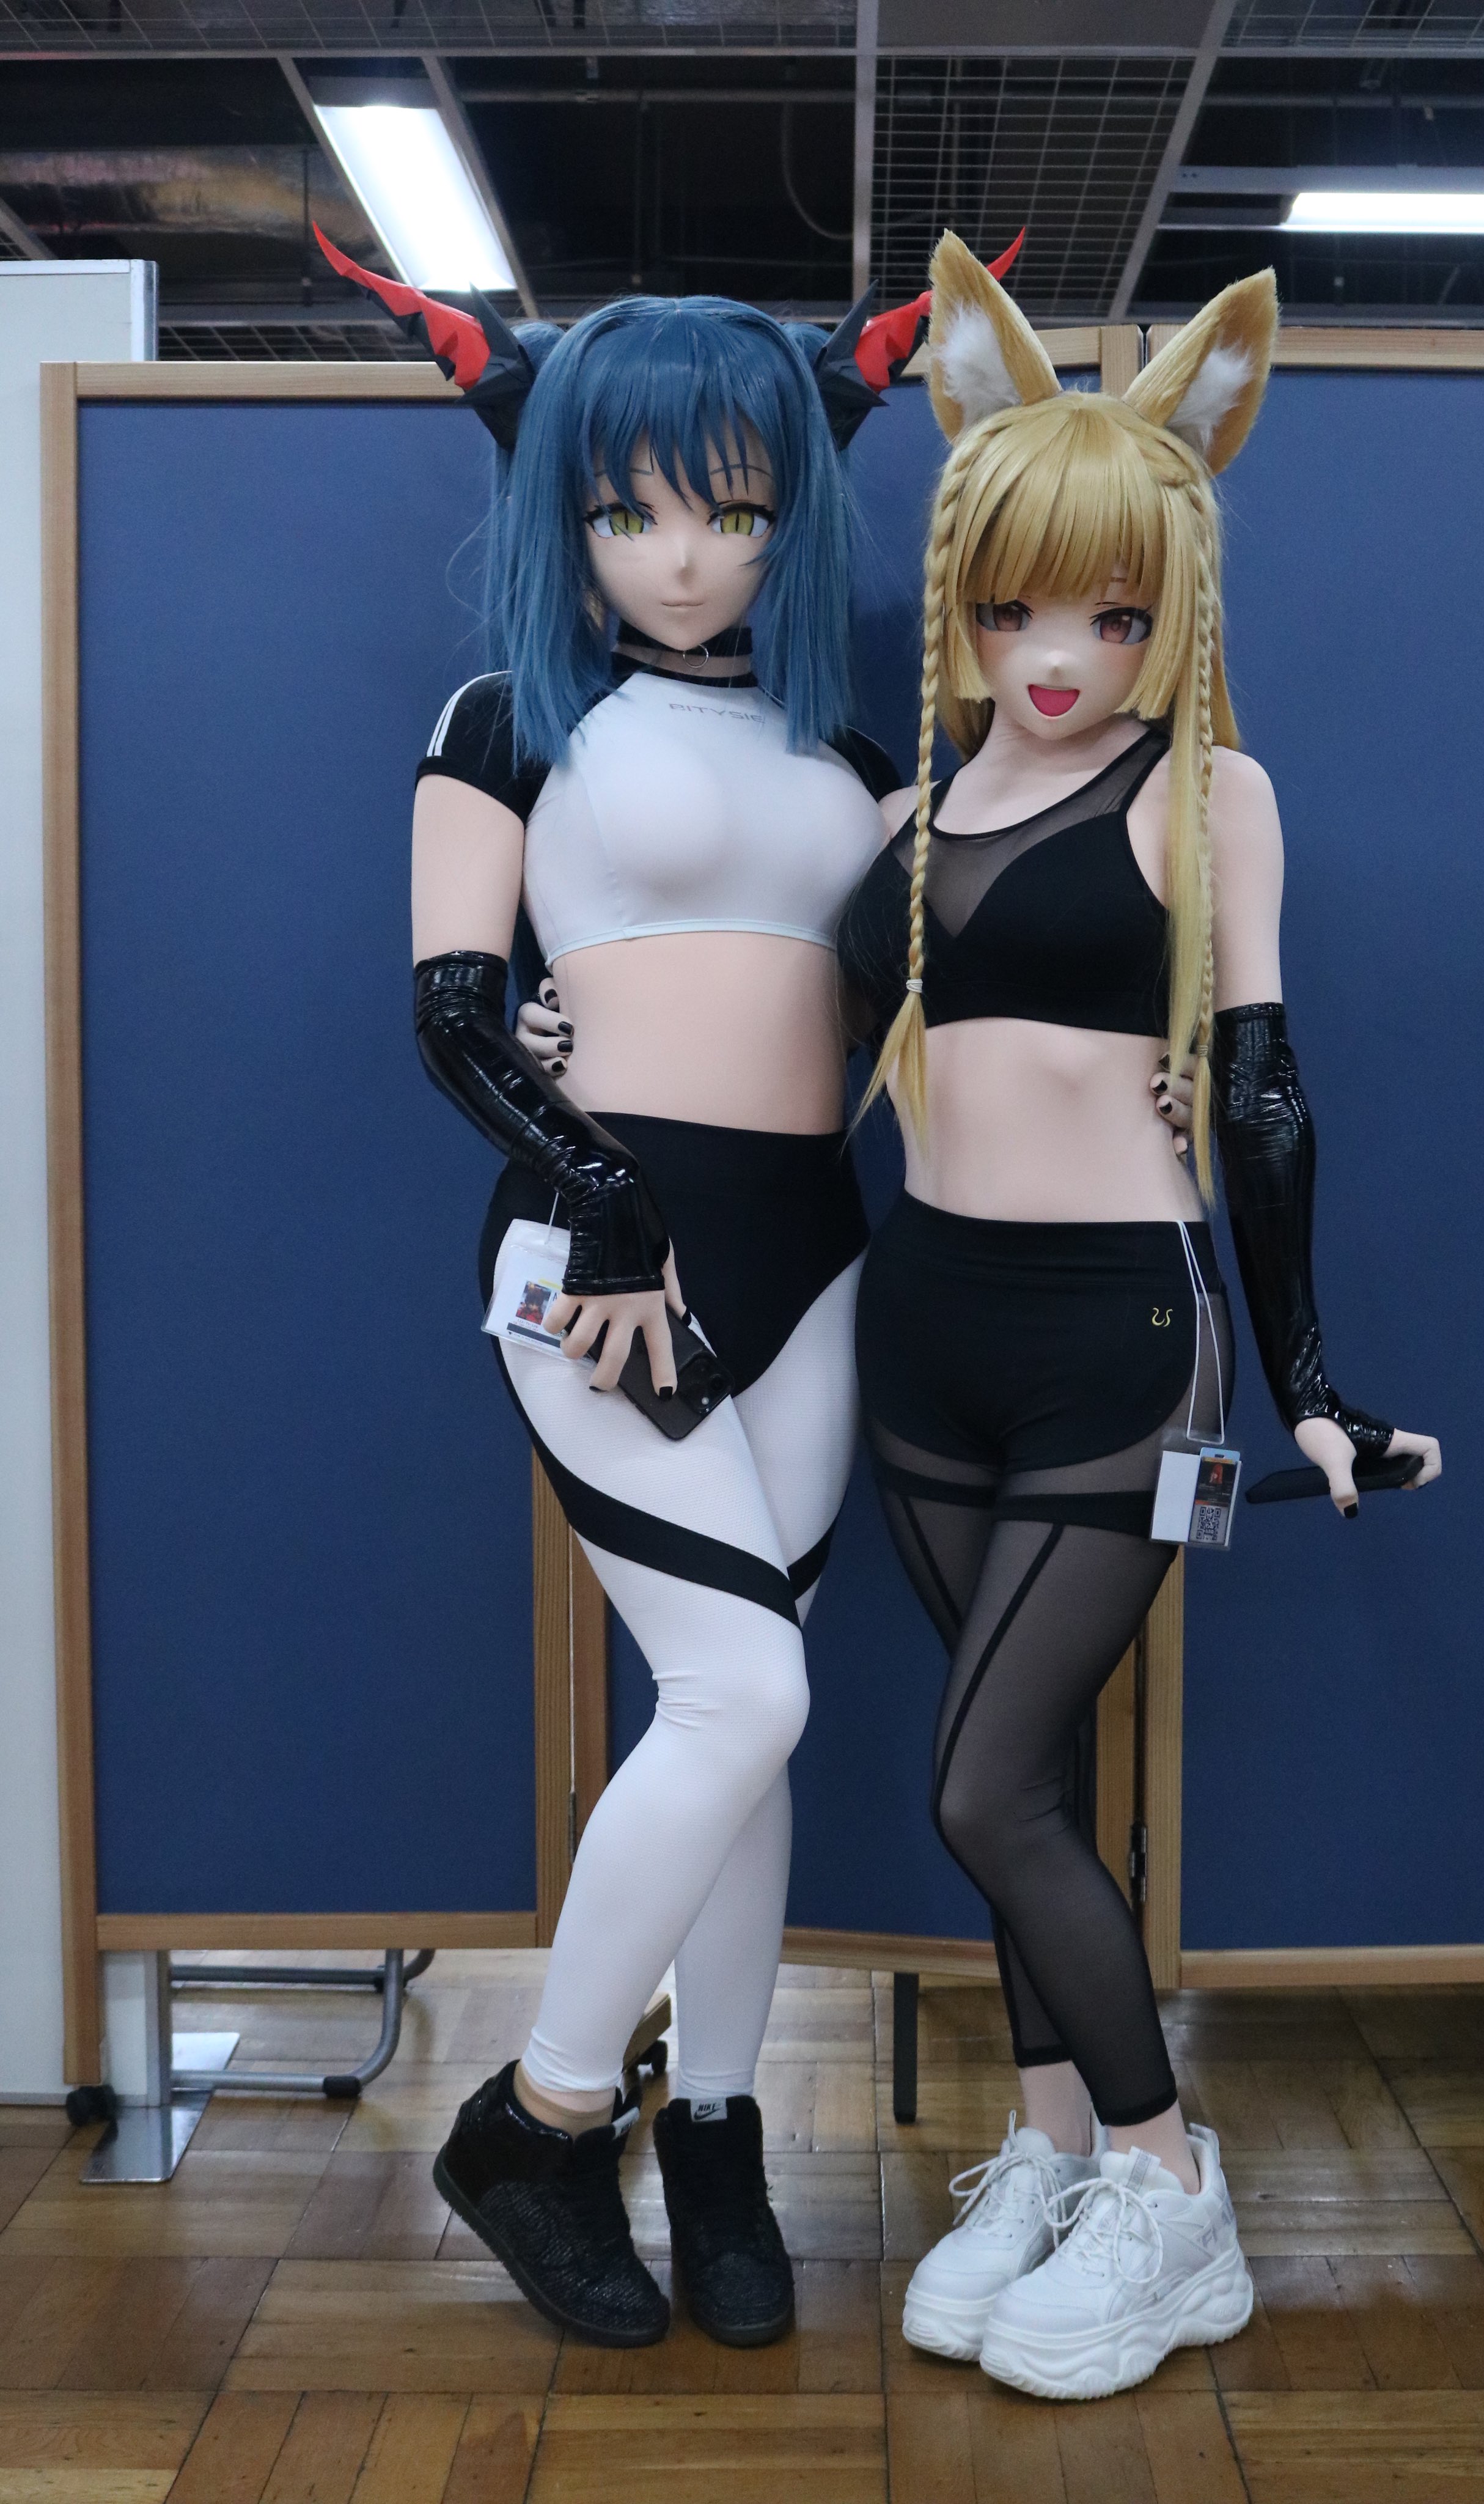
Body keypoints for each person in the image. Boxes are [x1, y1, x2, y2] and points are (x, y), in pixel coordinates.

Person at [836, 235, 1441, 2402]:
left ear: (1172, 603)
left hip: (1115, 1338)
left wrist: (1308, 1384)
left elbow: (1260, 1089)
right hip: (924, 1324)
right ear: (964, 597)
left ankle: (1175, 2199)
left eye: (1110, 614)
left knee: (985, 1788)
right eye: (1019, 610)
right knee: (1025, 1779)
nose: (1059, 656)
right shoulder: (907, 810)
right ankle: (1051, 2147)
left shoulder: (1206, 796)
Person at [399, 279, 898, 2351]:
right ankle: (537, 2121)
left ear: (793, 515)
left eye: (732, 510)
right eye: (629, 513)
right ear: (567, 516)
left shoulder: (849, 747)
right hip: (601, 1260)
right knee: (742, 1696)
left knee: (751, 1724)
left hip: (812, 1250)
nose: (682, 557)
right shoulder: (509, 714)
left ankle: (714, 2131)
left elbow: (916, 1006)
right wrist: (608, 1209)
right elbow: (450, 1012)